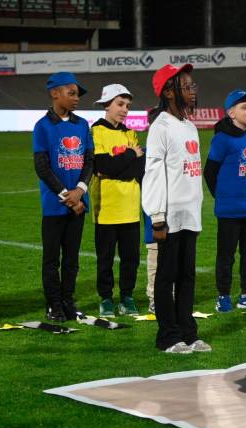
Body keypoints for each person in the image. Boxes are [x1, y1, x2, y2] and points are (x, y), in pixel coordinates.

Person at [142, 63, 210, 354]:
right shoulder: (160, 128)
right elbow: (154, 174)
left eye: (193, 86)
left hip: (190, 215)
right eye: (186, 86)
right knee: (166, 276)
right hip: (168, 217)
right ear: (169, 92)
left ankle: (188, 332)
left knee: (187, 276)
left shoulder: (189, 126)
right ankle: (167, 336)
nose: (193, 91)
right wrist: (157, 217)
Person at [33, 71, 93, 322]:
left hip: (78, 203)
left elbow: (89, 161)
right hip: (55, 205)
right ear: (54, 93)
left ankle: (68, 302)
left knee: (71, 259)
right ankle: (53, 304)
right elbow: (42, 166)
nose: (76, 97)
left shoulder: (82, 125)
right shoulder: (43, 126)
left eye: (77, 94)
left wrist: (80, 191)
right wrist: (66, 195)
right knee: (51, 259)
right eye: (71, 93)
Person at [204, 89, 246, 312]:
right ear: (231, 113)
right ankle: (223, 296)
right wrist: (223, 197)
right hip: (230, 210)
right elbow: (209, 172)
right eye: (244, 107)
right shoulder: (221, 139)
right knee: (226, 257)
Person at [90, 84, 144, 317]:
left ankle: (127, 297)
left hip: (131, 206)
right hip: (106, 208)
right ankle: (105, 298)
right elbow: (101, 166)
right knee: (105, 258)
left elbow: (137, 169)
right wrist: (130, 156)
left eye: (127, 106)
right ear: (106, 105)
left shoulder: (130, 133)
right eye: (120, 104)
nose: (125, 110)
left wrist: (117, 167)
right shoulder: (96, 132)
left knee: (131, 258)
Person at [142, 212, 157, 313]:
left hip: (175, 228)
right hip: (154, 228)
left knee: (174, 266)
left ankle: (172, 299)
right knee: (154, 268)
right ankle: (154, 302)